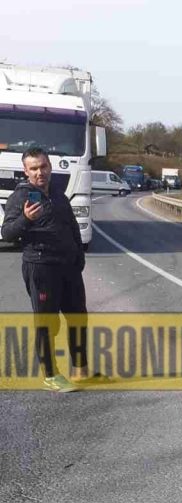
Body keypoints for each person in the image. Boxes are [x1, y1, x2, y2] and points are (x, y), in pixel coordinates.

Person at [1, 147, 91, 392]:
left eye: (43, 166)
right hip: (41, 268)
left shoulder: (59, 194)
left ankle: (81, 370)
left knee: (78, 318)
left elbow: (72, 226)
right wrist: (26, 220)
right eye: (34, 168)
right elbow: (7, 233)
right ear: (26, 171)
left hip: (68, 268)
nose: (40, 172)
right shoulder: (20, 197)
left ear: (50, 167)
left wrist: (78, 259)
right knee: (47, 323)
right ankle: (50, 375)